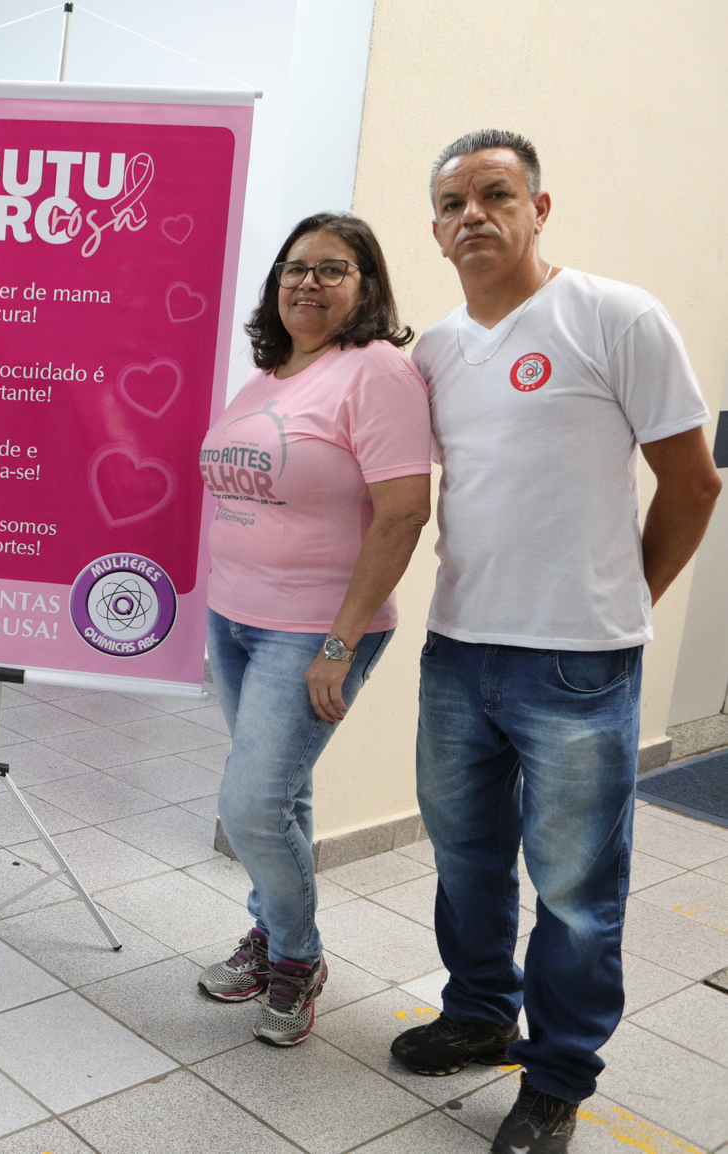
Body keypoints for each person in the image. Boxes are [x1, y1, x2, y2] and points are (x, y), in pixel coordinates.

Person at [391, 130, 719, 1154]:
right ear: (437, 228)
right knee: (467, 857)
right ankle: (481, 1009)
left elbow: (695, 480)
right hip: (457, 650)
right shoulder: (435, 351)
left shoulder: (613, 315)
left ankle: (559, 1073)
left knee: (577, 890)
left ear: (540, 208)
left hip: (577, 663)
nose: (473, 215)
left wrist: (619, 600)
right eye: (453, 203)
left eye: (496, 194)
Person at [195, 213, 432, 1044]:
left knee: (251, 807)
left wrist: (340, 642)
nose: (308, 282)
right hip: (235, 619)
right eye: (295, 268)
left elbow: (403, 514)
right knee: (280, 797)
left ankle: (297, 957)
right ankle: (270, 935)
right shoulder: (265, 377)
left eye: (333, 269)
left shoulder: (376, 372)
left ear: (365, 285)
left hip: (316, 628)